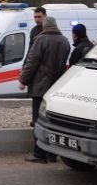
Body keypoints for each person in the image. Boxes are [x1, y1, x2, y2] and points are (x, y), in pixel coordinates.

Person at [18, 16, 70, 163]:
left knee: (38, 120)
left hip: (40, 87)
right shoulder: (65, 41)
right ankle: (52, 154)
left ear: (45, 27)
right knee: (52, 122)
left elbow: (32, 62)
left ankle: (39, 153)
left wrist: (23, 80)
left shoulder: (41, 40)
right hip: (56, 87)